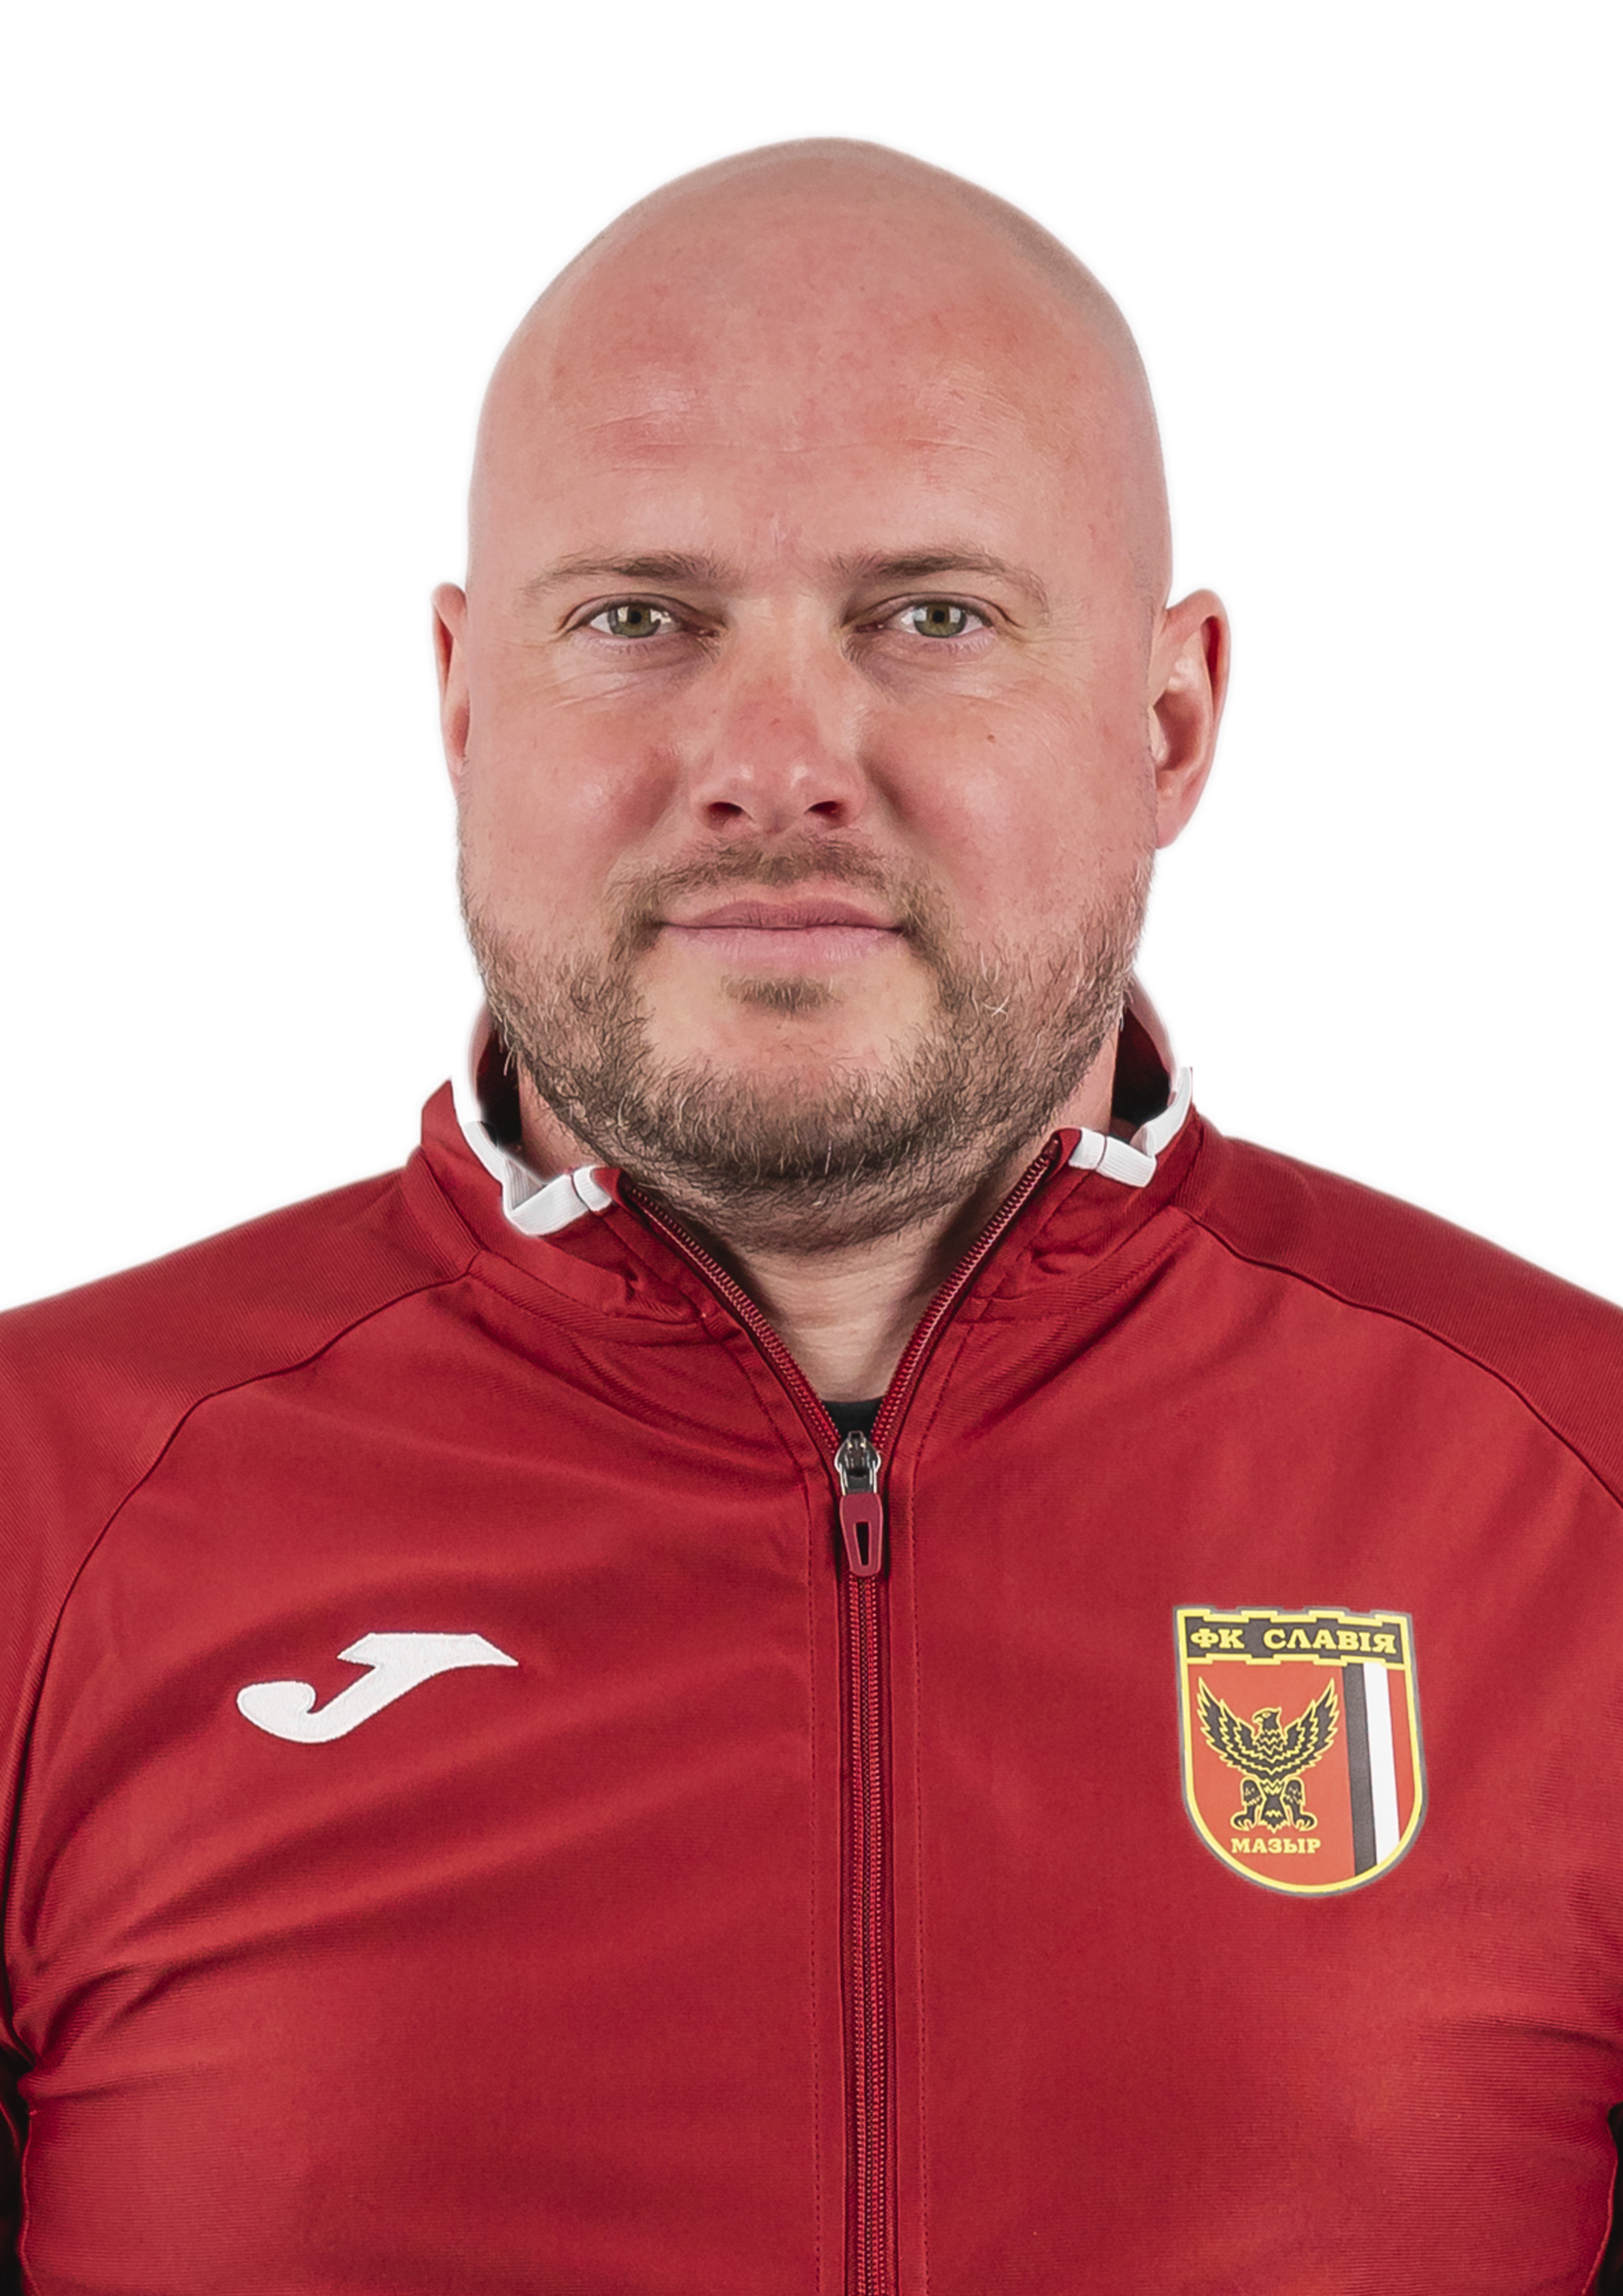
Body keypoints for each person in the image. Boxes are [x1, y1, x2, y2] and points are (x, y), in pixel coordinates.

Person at [3, 136, 1622, 2296]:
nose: (776, 762)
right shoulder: (43, 1507)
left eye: (931, 615)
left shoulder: (1579, 1509)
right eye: (639, 619)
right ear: (463, 703)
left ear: (1169, 721)